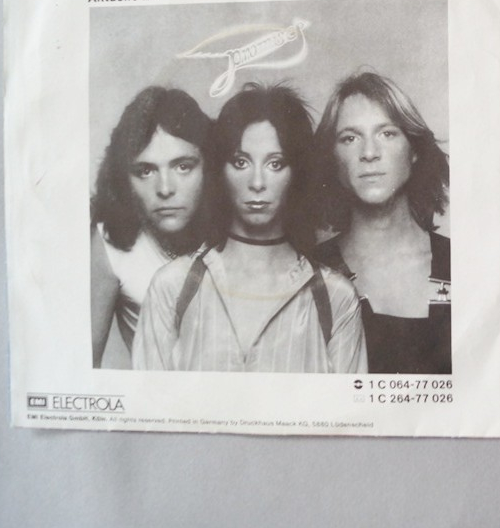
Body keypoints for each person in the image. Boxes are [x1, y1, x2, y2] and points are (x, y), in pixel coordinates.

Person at [133, 83, 366, 373]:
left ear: (297, 172)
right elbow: (148, 400)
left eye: (275, 164)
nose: (257, 182)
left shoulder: (336, 298)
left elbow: (348, 403)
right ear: (220, 169)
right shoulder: (172, 287)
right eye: (241, 162)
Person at [312, 72, 451, 374]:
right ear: (331, 157)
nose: (369, 153)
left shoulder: (461, 262)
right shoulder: (309, 274)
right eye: (350, 138)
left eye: (387, 134)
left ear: (414, 150)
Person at [90, 86, 212, 368]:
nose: (165, 189)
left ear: (208, 167)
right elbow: (82, 368)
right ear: (124, 178)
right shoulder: (110, 244)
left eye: (183, 166)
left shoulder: (239, 230)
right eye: (145, 171)